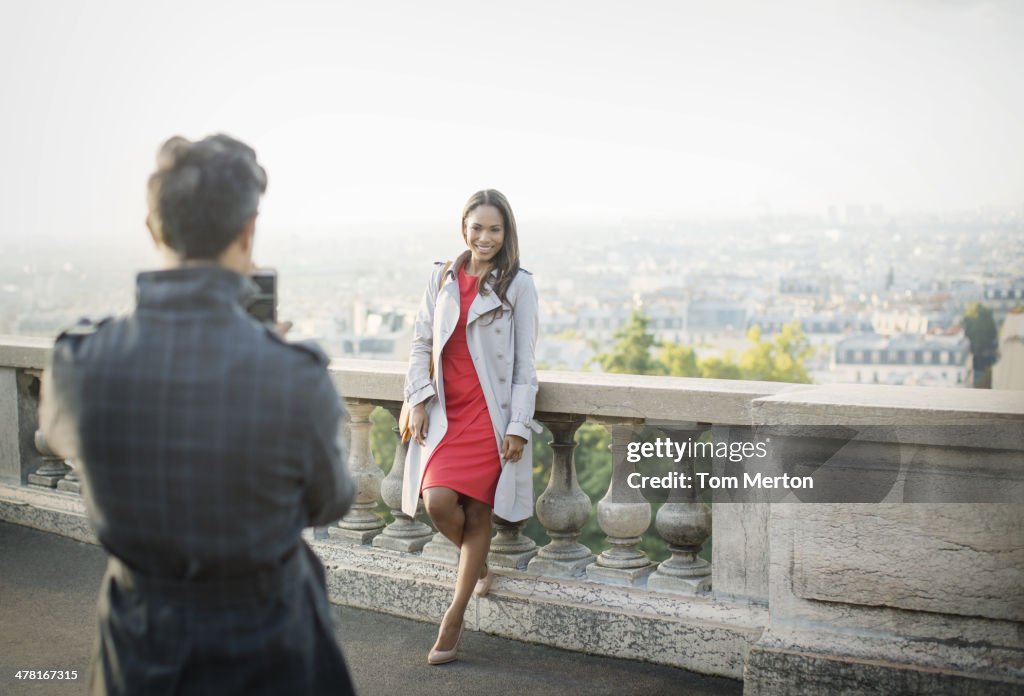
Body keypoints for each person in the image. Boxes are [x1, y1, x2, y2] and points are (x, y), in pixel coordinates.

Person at [39, 134, 357, 695]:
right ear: (248, 230)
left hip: (138, 648)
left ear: (152, 229)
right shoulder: (293, 374)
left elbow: (58, 439)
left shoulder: (81, 363)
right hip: (270, 648)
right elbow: (330, 501)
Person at [401, 189, 541, 665]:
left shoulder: (519, 285)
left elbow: (525, 362)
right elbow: (420, 342)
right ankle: (475, 563)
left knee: (478, 516)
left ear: (507, 234)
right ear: (464, 227)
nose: (485, 237)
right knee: (437, 502)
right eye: (477, 227)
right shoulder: (441, 276)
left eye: (495, 229)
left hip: (490, 415)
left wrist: (519, 424)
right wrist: (417, 398)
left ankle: (454, 617)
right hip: (446, 412)